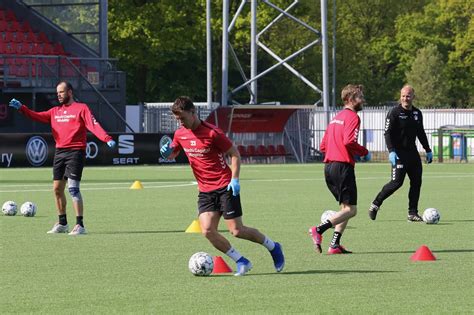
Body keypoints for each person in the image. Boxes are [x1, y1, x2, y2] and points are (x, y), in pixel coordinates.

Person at [160, 96, 284, 276]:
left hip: (225, 185)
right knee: (208, 231)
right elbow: (173, 153)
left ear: (193, 113)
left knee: (237, 230)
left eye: (182, 118)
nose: (180, 122)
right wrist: (167, 153)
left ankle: (274, 247)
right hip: (205, 190)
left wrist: (235, 180)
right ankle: (242, 261)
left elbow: (234, 154)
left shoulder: (212, 133)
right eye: (177, 119)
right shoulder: (180, 134)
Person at [8, 81, 116, 235]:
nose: (58, 95)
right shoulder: (54, 111)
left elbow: (93, 125)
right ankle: (62, 223)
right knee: (57, 189)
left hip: (76, 152)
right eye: (57, 92)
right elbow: (36, 116)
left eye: (61, 92)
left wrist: (106, 138)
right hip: (60, 153)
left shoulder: (81, 108)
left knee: (73, 188)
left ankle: (80, 225)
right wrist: (22, 109)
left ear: (70, 92)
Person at [309, 84, 369, 254]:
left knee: (345, 209)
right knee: (351, 210)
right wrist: (364, 151)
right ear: (351, 99)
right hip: (342, 167)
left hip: (329, 167)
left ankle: (334, 245)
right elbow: (349, 141)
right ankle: (318, 230)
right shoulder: (352, 117)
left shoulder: (336, 118)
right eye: (360, 97)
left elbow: (322, 146)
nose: (362, 100)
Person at [368, 85, 432, 222]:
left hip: (413, 154)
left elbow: (421, 133)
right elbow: (387, 133)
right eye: (403, 96)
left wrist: (428, 150)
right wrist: (391, 151)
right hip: (398, 154)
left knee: (416, 182)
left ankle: (412, 213)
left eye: (408, 96)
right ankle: (375, 204)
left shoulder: (417, 113)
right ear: (400, 96)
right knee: (396, 183)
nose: (405, 98)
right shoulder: (394, 113)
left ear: (413, 97)